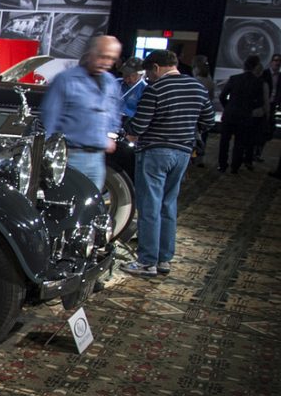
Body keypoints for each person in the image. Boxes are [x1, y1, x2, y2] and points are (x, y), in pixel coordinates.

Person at [123, 50, 216, 277]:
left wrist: (128, 128)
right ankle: (164, 259)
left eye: (149, 73)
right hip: (182, 154)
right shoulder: (197, 87)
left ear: (156, 68)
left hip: (155, 153)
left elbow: (139, 126)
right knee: (168, 205)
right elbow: (209, 120)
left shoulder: (156, 89)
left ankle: (147, 261)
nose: (148, 78)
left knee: (149, 207)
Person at [38, 35, 123, 190]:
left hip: (98, 160)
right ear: (90, 53)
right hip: (71, 157)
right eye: (102, 56)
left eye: (111, 59)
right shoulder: (65, 80)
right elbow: (49, 119)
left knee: (91, 209)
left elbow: (114, 112)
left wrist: (110, 134)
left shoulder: (111, 82)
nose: (107, 63)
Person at [217, 55, 266, 173]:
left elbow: (222, 96)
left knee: (224, 141)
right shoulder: (257, 82)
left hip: (230, 114)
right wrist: (249, 108)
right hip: (245, 116)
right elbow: (260, 102)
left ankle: (222, 165)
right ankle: (235, 166)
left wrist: (228, 106)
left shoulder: (234, 78)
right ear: (255, 67)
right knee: (240, 142)